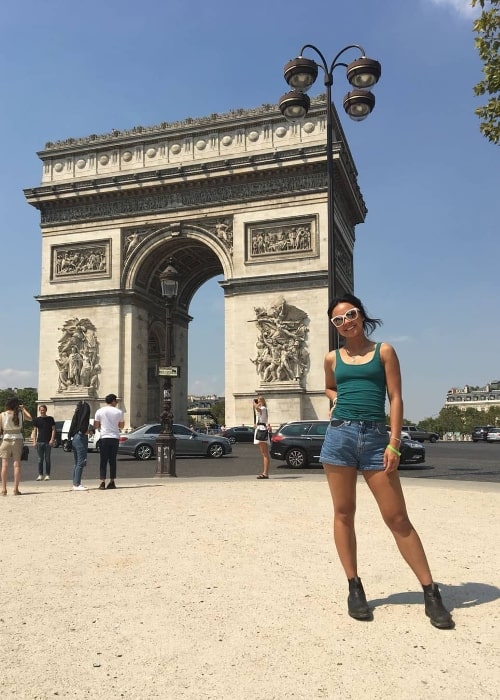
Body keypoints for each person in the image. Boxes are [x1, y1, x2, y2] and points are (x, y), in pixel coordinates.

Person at [319, 293, 454, 630]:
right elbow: (329, 388)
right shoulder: (331, 358)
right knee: (343, 513)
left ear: (361, 315)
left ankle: (430, 590)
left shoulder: (385, 351)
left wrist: (394, 442)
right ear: (335, 327)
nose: (346, 321)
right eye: (339, 319)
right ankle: (354, 586)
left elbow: (395, 396)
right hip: (339, 436)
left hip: (377, 438)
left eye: (350, 314)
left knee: (397, 517)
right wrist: (336, 400)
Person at [0, 397, 32, 496]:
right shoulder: (20, 414)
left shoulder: (2, 415)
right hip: (18, 438)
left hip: (6, 438)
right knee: (17, 465)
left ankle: (4, 489)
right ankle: (16, 489)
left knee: (4, 465)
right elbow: (30, 418)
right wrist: (23, 409)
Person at [94, 394, 124, 490]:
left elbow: (96, 425)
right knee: (112, 460)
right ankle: (112, 481)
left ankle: (102, 482)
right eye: (116, 401)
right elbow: (121, 426)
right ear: (113, 401)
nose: (117, 403)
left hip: (104, 437)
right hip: (114, 437)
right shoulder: (119, 412)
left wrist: (102, 425)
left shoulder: (99, 411)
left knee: (103, 460)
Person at [68, 400, 91, 491]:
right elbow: (83, 430)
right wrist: (91, 431)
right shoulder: (84, 419)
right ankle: (77, 484)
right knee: (81, 462)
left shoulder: (76, 416)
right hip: (81, 439)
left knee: (76, 462)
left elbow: (73, 427)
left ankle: (75, 483)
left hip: (75, 438)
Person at [32, 404, 56, 480]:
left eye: (43, 410)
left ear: (46, 410)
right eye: (41, 410)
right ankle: (40, 475)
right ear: (39, 411)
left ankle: (47, 475)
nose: (42, 411)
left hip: (48, 441)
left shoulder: (50, 419)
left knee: (47, 459)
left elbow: (53, 429)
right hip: (39, 441)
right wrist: (34, 441)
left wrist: (52, 439)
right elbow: (35, 431)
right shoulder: (36, 420)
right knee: (40, 459)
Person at [254, 396, 271, 479]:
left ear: (263, 401)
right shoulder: (262, 408)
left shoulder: (263, 408)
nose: (258, 401)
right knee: (263, 453)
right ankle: (265, 473)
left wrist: (255, 403)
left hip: (262, 430)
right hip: (260, 429)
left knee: (265, 454)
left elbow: (257, 409)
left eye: (259, 400)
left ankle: (265, 473)